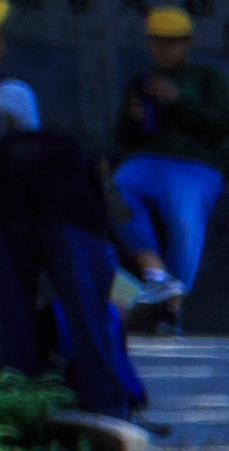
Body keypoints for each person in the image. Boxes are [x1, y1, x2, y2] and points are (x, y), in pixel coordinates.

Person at [0, 81, 150, 427]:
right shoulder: (67, 153)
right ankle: (106, 405)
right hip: (67, 207)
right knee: (85, 310)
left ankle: (16, 403)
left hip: (23, 200)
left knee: (13, 314)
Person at [108, 5, 229, 331]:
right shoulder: (143, 82)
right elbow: (123, 137)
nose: (164, 49)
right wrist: (135, 119)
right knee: (118, 189)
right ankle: (156, 273)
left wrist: (177, 100)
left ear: (188, 43)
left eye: (173, 41)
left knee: (185, 218)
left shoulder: (208, 78)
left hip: (195, 166)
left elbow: (223, 126)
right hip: (146, 161)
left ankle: (172, 309)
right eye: (158, 41)